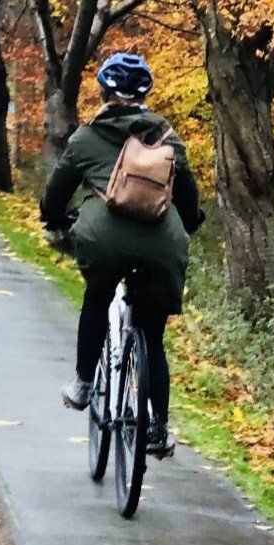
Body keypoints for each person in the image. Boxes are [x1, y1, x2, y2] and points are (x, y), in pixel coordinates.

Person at [39, 52, 203, 458]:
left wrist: (53, 219)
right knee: (152, 335)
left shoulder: (86, 136)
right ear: (145, 94)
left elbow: (57, 191)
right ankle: (159, 428)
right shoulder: (167, 137)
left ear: (103, 90)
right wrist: (189, 225)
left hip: (103, 240)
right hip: (162, 243)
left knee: (97, 296)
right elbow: (187, 196)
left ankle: (81, 383)